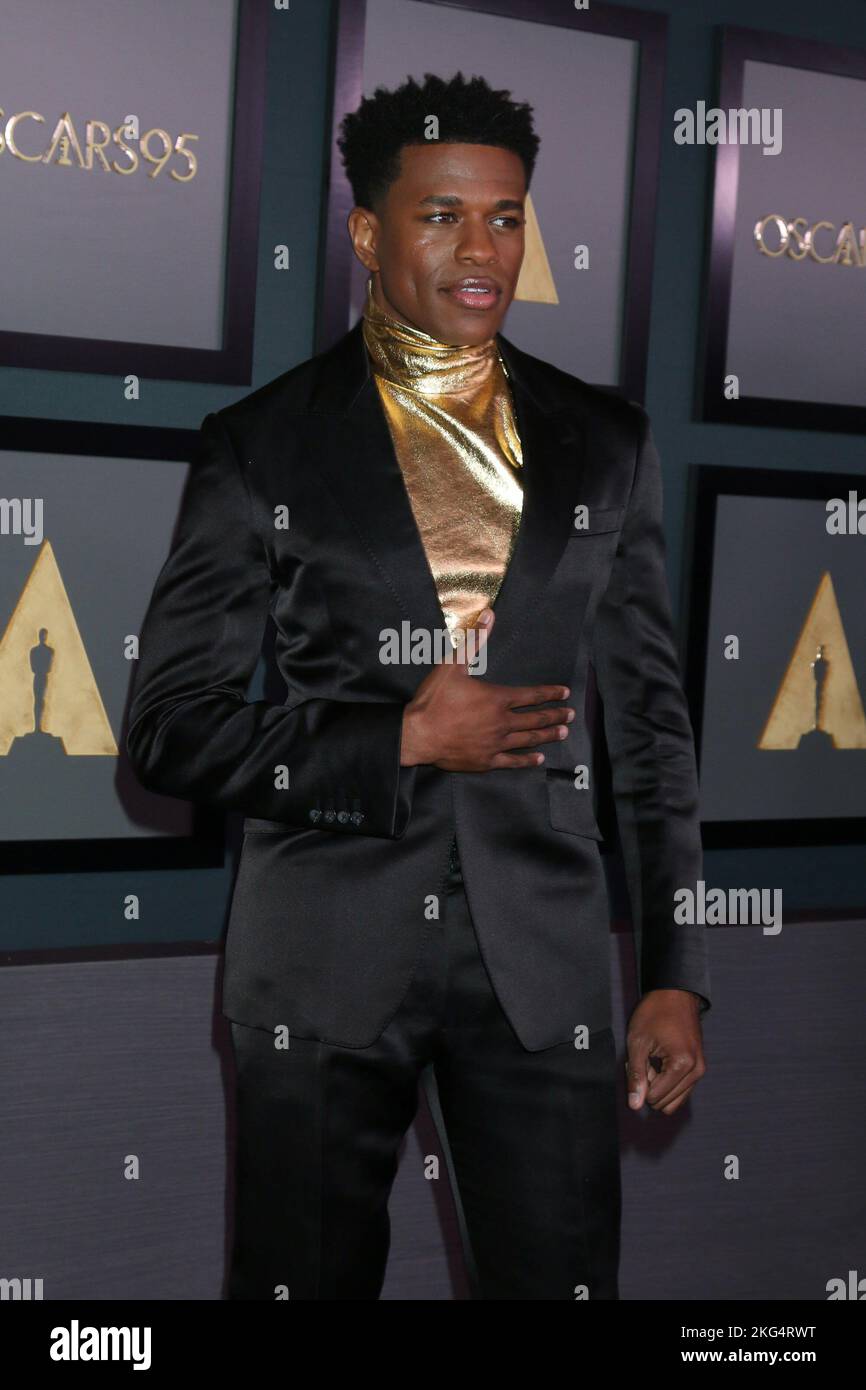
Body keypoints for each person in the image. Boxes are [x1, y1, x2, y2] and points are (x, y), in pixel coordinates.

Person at [127, 71, 710, 1301]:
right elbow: (169, 732)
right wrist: (395, 737)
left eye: (504, 215)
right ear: (365, 235)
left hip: (542, 964)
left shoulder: (605, 441)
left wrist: (670, 967)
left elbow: (652, 726)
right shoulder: (263, 443)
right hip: (321, 962)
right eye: (440, 214)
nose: (481, 246)